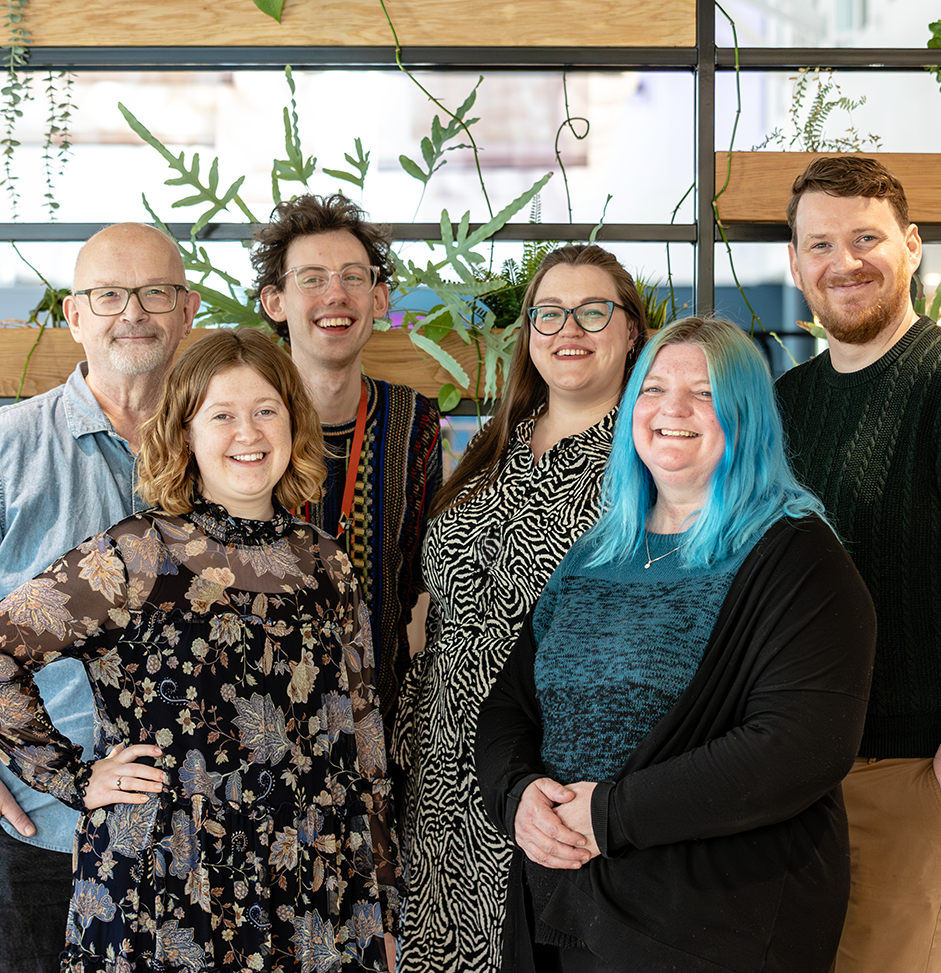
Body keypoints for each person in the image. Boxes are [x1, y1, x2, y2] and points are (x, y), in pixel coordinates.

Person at [476, 317, 876, 973]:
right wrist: (517, 794)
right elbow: (508, 706)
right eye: (654, 388)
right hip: (566, 912)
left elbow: (802, 744)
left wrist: (613, 814)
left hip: (709, 926)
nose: (673, 409)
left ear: (747, 416)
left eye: (705, 393)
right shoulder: (595, 552)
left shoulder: (798, 555)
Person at [0, 328, 401, 972]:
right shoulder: (134, 557)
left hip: (309, 883)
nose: (248, 432)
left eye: (266, 410)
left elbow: (363, 734)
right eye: (221, 415)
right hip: (166, 883)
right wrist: (73, 777)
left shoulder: (326, 562)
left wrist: (382, 900)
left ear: (293, 424)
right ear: (184, 432)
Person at [392, 244, 651, 973]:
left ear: (631, 329)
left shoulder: (644, 458)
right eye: (549, 312)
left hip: (547, 770)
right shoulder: (498, 437)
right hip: (440, 758)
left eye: (593, 311)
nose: (569, 329)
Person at [775, 155, 941, 973]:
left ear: (912, 245)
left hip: (909, 773)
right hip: (791, 781)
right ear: (795, 263)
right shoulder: (788, 402)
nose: (843, 262)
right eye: (820, 244)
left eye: (866, 238)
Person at [0, 222, 200, 973]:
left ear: (189, 309)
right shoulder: (8, 447)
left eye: (155, 293)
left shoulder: (229, 447)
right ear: (75, 315)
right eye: (109, 294)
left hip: (202, 836)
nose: (133, 313)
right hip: (43, 827)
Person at [252, 194, 442, 743]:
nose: (336, 294)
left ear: (379, 298)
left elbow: (426, 579)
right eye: (312, 278)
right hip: (259, 738)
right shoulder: (241, 427)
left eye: (354, 277)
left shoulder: (415, 421)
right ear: (275, 301)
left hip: (385, 732)